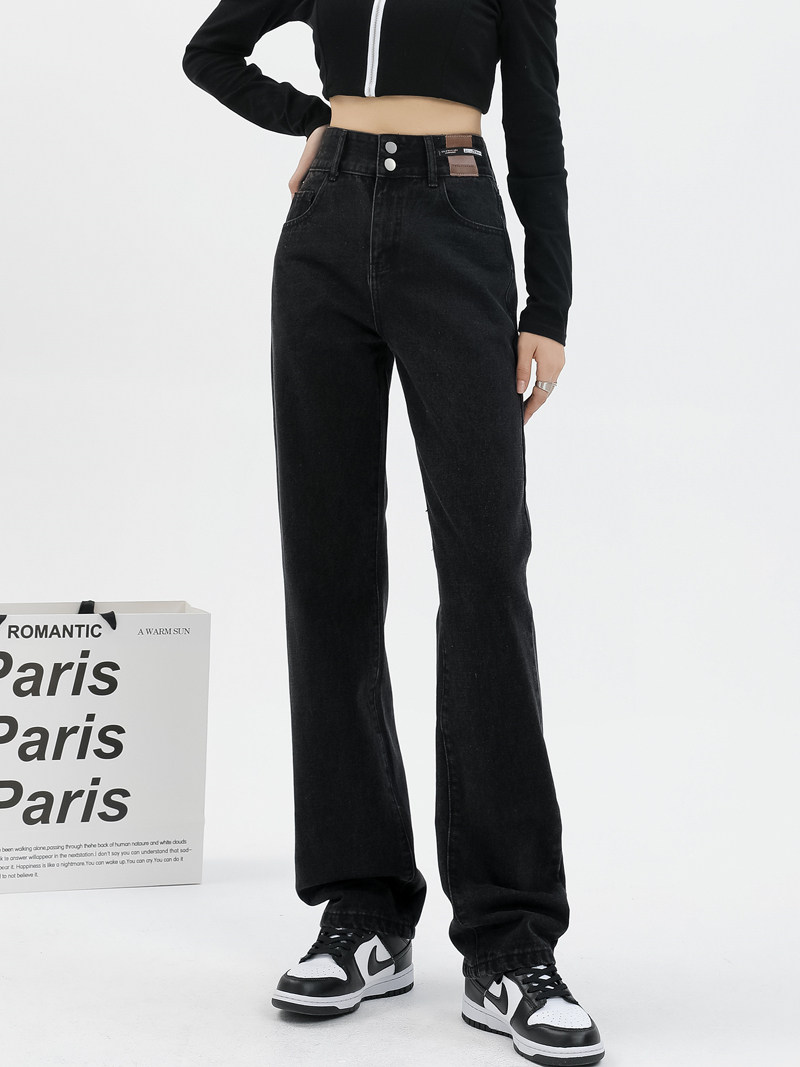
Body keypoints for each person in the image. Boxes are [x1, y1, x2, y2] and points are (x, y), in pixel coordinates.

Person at [182, 1, 604, 1062]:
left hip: (455, 219)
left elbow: (537, 130)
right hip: (323, 231)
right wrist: (313, 121)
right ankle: (362, 909)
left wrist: (548, 307)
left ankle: (509, 939)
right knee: (327, 568)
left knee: (484, 573)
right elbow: (210, 52)